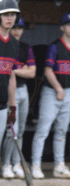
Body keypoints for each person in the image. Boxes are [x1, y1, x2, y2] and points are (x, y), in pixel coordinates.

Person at [31, 13, 70, 179]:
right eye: (68, 24)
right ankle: (35, 165)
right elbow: (47, 70)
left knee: (62, 131)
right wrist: (59, 88)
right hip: (51, 92)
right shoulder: (54, 46)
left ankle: (59, 167)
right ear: (62, 27)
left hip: (67, 93)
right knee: (43, 130)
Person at [2, 17, 36, 179]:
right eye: (14, 27)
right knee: (11, 130)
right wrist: (17, 69)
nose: (16, 30)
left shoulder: (25, 47)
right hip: (7, 90)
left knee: (19, 131)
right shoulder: (5, 44)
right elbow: (9, 71)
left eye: (20, 28)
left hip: (22, 89)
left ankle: (16, 163)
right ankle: (6, 164)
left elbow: (32, 72)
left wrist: (15, 71)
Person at [0, 0, 19, 172]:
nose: (9, 18)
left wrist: (12, 106)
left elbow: (12, 76)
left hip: (2, 104)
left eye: (12, 14)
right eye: (6, 14)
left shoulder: (14, 43)